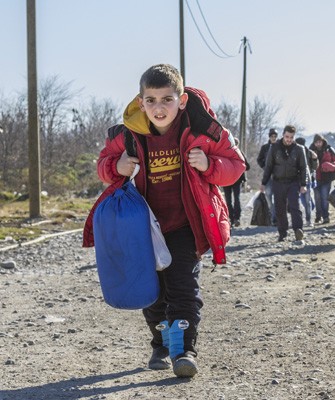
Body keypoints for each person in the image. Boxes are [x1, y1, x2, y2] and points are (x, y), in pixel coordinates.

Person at [82, 64, 246, 378]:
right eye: (152, 100)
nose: (159, 107)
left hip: (186, 224)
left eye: (167, 100)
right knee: (152, 290)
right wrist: (116, 165)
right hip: (143, 226)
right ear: (140, 101)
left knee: (183, 287)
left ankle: (183, 351)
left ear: (181, 100)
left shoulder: (203, 127)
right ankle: (160, 343)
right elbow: (103, 166)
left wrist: (210, 163)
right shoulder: (126, 134)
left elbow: (236, 165)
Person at [260, 125, 308, 242]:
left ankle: (298, 230)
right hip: (278, 182)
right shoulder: (274, 148)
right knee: (280, 208)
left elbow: (303, 168)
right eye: (287, 136)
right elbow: (269, 166)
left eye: (291, 137)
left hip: (293, 182)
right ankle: (282, 232)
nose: (289, 139)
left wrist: (303, 184)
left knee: (294, 206)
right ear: (283, 135)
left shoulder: (299, 149)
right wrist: (264, 182)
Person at [310, 134, 335, 224]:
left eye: (320, 141)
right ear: (314, 143)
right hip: (315, 178)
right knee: (317, 198)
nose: (318, 144)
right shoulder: (310, 151)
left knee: (324, 197)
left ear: (323, 141)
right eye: (316, 142)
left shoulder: (329, 149)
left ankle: (325, 217)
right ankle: (318, 216)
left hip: (326, 178)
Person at [223, 137, 250, 227]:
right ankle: (235, 218)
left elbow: (247, 166)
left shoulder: (224, 153)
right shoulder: (239, 153)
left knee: (229, 200)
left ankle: (232, 218)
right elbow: (247, 166)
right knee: (235, 199)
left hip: (228, 180)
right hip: (234, 179)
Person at [296, 137, 318, 227]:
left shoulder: (308, 152)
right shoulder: (295, 151)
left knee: (306, 200)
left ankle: (308, 219)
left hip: (305, 179)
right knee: (305, 201)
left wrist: (315, 159)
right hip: (301, 179)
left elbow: (314, 167)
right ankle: (307, 219)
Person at [257, 128, 278, 225]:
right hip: (268, 176)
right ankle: (273, 217)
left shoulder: (280, 147)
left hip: (279, 176)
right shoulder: (265, 147)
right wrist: (265, 167)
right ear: (269, 137)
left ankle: (276, 218)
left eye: (275, 136)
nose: (273, 138)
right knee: (269, 197)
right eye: (272, 136)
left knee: (278, 197)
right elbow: (259, 159)